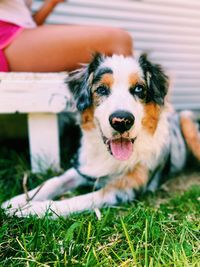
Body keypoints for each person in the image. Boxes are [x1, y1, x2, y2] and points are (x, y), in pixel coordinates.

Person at [0, 0, 133, 72]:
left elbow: (25, 26)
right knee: (118, 40)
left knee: (118, 42)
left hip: (12, 40)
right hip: (5, 40)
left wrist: (51, 3)